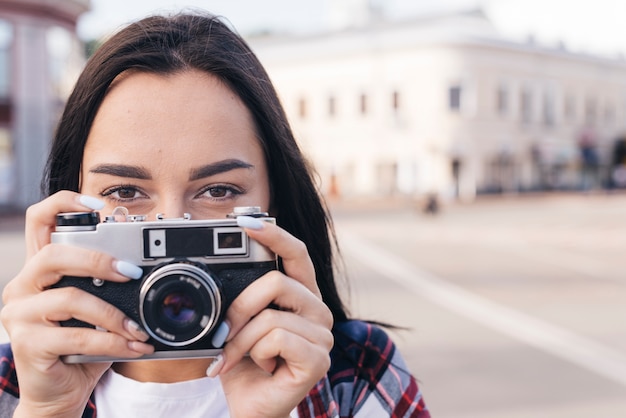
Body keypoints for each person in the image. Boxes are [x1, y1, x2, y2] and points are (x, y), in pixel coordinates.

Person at [0, 10, 429, 418]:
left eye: (218, 191)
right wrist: (48, 408)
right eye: (125, 192)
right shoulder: (15, 382)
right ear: (71, 213)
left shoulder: (356, 371)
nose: (169, 229)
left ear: (274, 202)